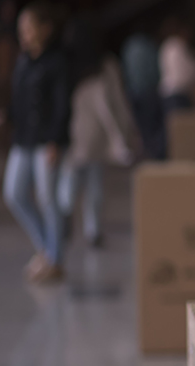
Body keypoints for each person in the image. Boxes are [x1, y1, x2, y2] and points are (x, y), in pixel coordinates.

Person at [2, 1, 71, 283]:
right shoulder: (23, 62)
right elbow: (19, 100)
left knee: (47, 199)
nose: (25, 34)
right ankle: (46, 247)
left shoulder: (57, 62)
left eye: (30, 28)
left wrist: (55, 139)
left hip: (46, 140)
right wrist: (6, 116)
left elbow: (62, 105)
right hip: (23, 139)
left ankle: (55, 259)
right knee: (14, 193)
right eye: (22, 29)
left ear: (45, 29)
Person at [58, 16, 138, 247]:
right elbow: (117, 102)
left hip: (74, 131)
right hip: (98, 132)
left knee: (70, 177)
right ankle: (92, 230)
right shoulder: (106, 65)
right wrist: (127, 131)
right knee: (95, 183)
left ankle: (65, 213)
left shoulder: (68, 64)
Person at [121, 24, 164, 160]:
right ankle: (152, 154)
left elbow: (125, 70)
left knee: (139, 127)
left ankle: (144, 152)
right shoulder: (148, 45)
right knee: (151, 127)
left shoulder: (129, 45)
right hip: (148, 92)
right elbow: (155, 70)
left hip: (133, 92)